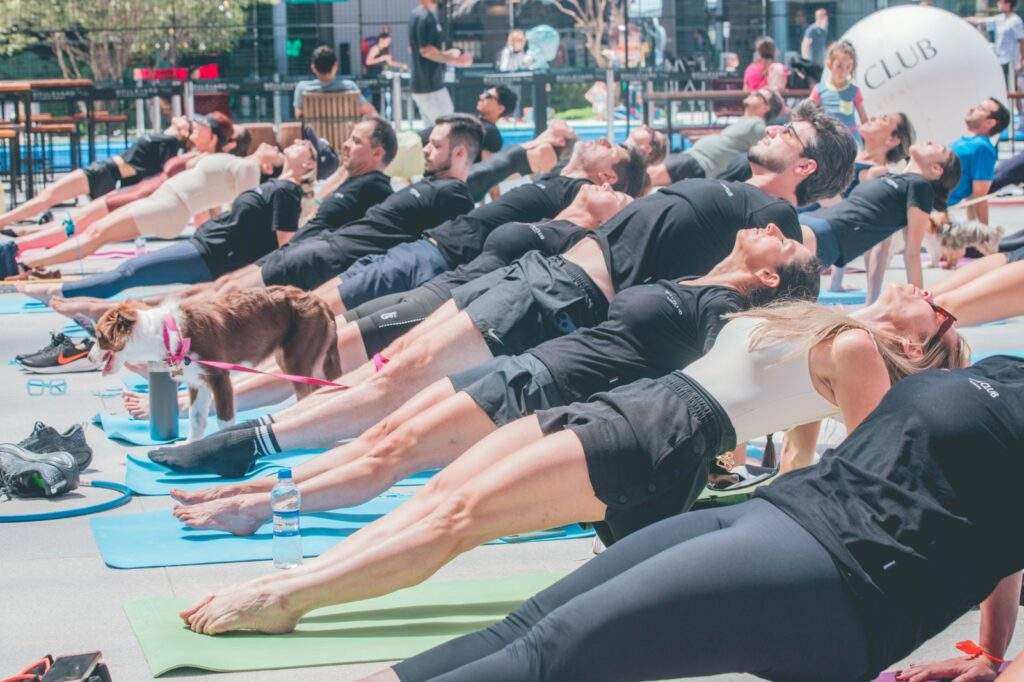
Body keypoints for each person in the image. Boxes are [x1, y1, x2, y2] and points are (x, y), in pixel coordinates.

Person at [173, 284, 967, 637]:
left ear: (917, 342)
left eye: (939, 311)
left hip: (667, 431)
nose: (932, 294)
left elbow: (861, 462)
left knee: (460, 519)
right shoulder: (825, 321)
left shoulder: (859, 348)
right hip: (645, 402)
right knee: (437, 492)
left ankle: (287, 601)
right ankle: (295, 578)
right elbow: (801, 446)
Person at [146, 101, 855, 461]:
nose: (776, 131)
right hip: (541, 274)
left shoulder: (779, 227)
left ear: (805, 168)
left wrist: (764, 445)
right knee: (398, 361)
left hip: (568, 300)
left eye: (792, 136)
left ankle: (248, 443)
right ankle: (254, 428)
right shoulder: (729, 186)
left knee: (404, 376)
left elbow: (760, 318)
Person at [350, 354, 1017, 682]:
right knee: (523, 630)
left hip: (840, 578)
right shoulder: (1007, 368)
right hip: (786, 517)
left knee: (550, 656)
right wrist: (990, 650)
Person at [168, 224, 819, 529]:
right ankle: (256, 488)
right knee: (379, 437)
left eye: (784, 242)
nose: (774, 226)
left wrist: (767, 456)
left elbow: (735, 377)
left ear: (768, 277)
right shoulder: (699, 282)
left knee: (392, 455)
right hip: (526, 369)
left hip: (545, 395)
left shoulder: (723, 310)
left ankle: (255, 508)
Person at [314, 137, 645, 318]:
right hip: (430, 248)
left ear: (607, 179)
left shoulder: (580, 196)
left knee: (328, 313)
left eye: (610, 149)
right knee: (326, 306)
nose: (603, 140)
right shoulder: (561, 181)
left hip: (442, 259)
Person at [15, 138, 325, 304]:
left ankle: (58, 293)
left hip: (212, 255)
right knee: (129, 271)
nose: (298, 141)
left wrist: (247, 282)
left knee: (130, 273)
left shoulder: (287, 192)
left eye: (306, 146)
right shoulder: (276, 185)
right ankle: (64, 296)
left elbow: (283, 250)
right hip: (206, 246)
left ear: (309, 164)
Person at [197, 114, 479, 294]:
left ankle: (173, 333)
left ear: (459, 153)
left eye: (435, 145)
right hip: (312, 251)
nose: (426, 150)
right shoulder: (424, 186)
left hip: (324, 259)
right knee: (225, 289)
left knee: (228, 295)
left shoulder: (450, 195)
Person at [5, 114, 281, 276]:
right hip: (141, 194)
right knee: (77, 223)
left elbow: (211, 211)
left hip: (150, 200)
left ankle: (19, 255)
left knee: (84, 228)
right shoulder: (197, 155)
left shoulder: (218, 162)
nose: (196, 127)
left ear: (218, 138)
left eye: (203, 127)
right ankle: (19, 249)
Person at [801, 141, 961, 303]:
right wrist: (871, 302)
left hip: (826, 233)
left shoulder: (920, 187)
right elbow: (880, 249)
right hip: (814, 221)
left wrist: (919, 303)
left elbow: (912, 253)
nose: (930, 142)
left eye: (940, 148)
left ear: (936, 168)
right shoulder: (890, 177)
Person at [0, 116, 199, 231]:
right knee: (76, 218)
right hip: (109, 175)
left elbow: (163, 171)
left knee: (48, 198)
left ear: (185, 131)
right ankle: (24, 230)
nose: (183, 117)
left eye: (187, 121)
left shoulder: (169, 142)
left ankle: (6, 222)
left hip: (104, 171)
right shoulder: (165, 139)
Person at [647, 88, 784, 186]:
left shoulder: (758, 125)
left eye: (758, 94)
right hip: (696, 159)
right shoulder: (748, 122)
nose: (752, 92)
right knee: (650, 176)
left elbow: (768, 151)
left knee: (650, 176)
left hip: (701, 163)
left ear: (766, 107)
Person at [947, 98, 1011, 224]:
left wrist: (983, 233)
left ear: (990, 122)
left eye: (980, 108)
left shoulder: (983, 148)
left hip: (925, 204)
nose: (972, 109)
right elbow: (972, 196)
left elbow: (979, 197)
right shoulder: (965, 142)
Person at [409, 0, 472, 124]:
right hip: (430, 86)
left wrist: (447, 54)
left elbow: (419, 49)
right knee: (447, 126)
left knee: (433, 128)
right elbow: (426, 51)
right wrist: (456, 60)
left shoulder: (417, 14)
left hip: (424, 84)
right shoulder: (425, 17)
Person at [293, 45, 376, 119]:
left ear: (313, 68)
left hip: (314, 132)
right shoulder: (349, 86)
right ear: (335, 66)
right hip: (345, 131)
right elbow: (369, 112)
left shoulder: (302, 88)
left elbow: (298, 114)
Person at [809, 40, 867, 146]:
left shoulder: (854, 91)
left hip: (852, 142)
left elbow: (864, 120)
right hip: (829, 141)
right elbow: (808, 114)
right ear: (829, 64)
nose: (844, 72)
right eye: (839, 66)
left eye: (848, 67)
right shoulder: (819, 90)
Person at [966, 0, 1024, 89]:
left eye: (1000, 2)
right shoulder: (999, 18)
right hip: (999, 61)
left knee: (1011, 88)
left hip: (1010, 62)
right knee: (1001, 87)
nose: (998, 4)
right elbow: (979, 21)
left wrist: (1021, 61)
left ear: (1008, 4)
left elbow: (1022, 41)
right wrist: (960, 19)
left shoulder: (1015, 21)